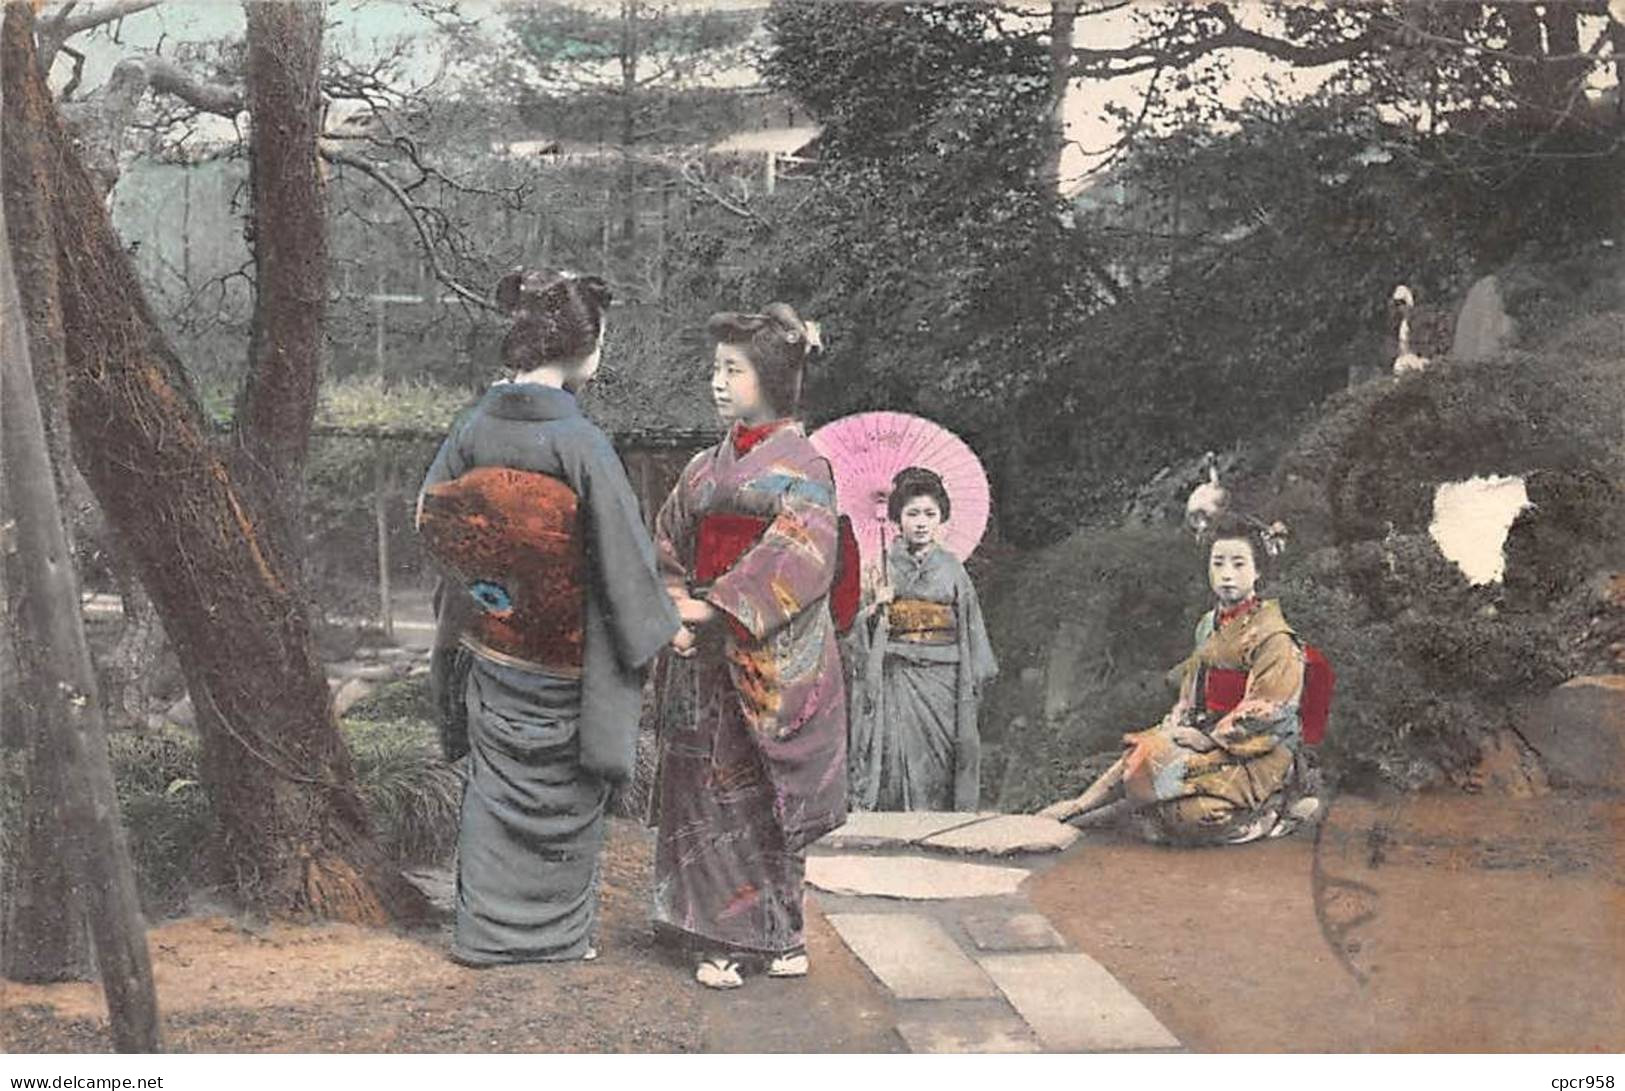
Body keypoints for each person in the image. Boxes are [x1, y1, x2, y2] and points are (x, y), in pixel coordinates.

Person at [416, 269, 680, 965]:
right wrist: (655, 627)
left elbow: (434, 521)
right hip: (566, 656)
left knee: (493, 786)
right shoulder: (581, 443)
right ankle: (557, 935)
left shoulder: (471, 429)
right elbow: (624, 555)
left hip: (494, 642)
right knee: (564, 789)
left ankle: (485, 934)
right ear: (586, 348)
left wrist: (492, 590)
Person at [650, 302, 848, 990]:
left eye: (731, 369)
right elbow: (668, 538)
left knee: (768, 792)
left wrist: (718, 604)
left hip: (766, 653)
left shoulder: (806, 466)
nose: (717, 381)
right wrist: (676, 600)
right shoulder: (704, 469)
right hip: (703, 652)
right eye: (715, 368)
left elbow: (802, 557)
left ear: (770, 376)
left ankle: (782, 930)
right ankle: (719, 936)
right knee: (709, 793)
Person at [1039, 513, 1315, 845]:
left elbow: (1270, 707)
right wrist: (1178, 726)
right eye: (1218, 563)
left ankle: (1273, 809)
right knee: (1143, 757)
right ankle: (1080, 807)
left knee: (1194, 816)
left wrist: (1210, 740)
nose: (1227, 574)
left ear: (1258, 571)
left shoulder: (1275, 638)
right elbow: (1191, 691)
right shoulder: (1207, 624)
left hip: (1256, 752)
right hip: (1206, 730)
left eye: (1239, 564)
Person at [846, 466, 997, 812]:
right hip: (896, 673)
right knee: (895, 752)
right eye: (912, 513)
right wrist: (874, 610)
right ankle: (896, 818)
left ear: (941, 517)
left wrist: (973, 677)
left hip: (943, 675)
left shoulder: (953, 569)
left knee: (941, 755)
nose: (921, 522)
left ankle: (938, 819)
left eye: (930, 513)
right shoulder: (879, 566)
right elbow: (854, 630)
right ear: (897, 517)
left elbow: (970, 625)